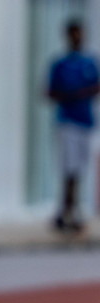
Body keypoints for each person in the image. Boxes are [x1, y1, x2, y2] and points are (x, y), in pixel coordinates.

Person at [47, 20, 98, 233]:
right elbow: (49, 92)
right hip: (67, 122)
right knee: (69, 169)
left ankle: (67, 211)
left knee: (79, 169)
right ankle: (69, 212)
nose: (77, 38)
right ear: (67, 36)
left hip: (85, 122)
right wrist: (71, 95)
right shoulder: (59, 64)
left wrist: (80, 93)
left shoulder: (90, 62)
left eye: (80, 34)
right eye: (74, 34)